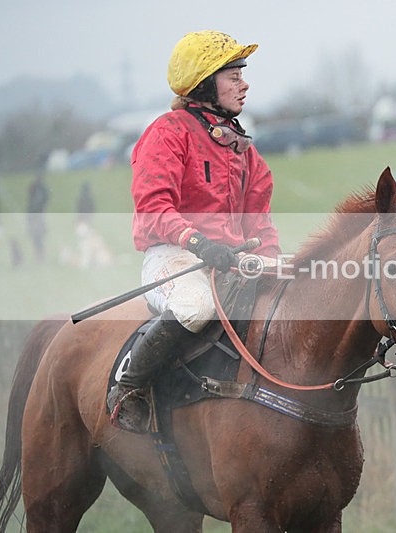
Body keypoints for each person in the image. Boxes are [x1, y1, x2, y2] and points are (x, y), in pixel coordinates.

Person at [108, 30, 281, 433]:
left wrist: (271, 261)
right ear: (204, 84)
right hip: (174, 257)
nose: (244, 83)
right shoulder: (167, 133)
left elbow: (261, 224)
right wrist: (198, 242)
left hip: (231, 260)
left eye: (243, 73)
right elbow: (152, 210)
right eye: (234, 75)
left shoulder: (244, 149)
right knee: (196, 308)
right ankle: (128, 388)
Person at [26, 168, 49, 262]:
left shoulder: (38, 188)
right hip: (36, 215)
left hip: (36, 215)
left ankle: (40, 256)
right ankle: (39, 256)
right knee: (37, 237)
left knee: (38, 237)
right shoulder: (37, 188)